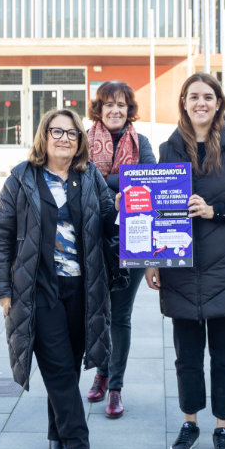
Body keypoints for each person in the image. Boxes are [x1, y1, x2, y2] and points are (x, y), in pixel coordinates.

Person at [0, 108, 118, 449]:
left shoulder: (89, 176)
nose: (64, 138)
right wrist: (1, 289)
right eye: (57, 131)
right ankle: (77, 442)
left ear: (80, 142)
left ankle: (55, 433)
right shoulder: (21, 178)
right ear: (43, 136)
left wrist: (130, 209)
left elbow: (108, 220)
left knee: (69, 365)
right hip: (38, 288)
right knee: (58, 367)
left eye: (72, 133)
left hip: (82, 287)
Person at [147, 73, 225, 449]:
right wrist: (151, 259)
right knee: (187, 357)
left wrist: (215, 211)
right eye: (193, 96)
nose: (200, 102)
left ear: (218, 103)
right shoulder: (169, 149)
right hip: (180, 268)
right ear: (183, 102)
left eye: (207, 97)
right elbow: (154, 209)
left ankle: (222, 427)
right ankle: (190, 422)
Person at [85, 80, 157, 418]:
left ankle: (114, 386)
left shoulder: (141, 143)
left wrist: (106, 181)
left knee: (120, 315)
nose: (115, 110)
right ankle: (101, 371)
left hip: (135, 238)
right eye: (108, 104)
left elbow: (148, 181)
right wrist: (125, 180)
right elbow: (77, 178)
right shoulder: (82, 141)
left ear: (130, 110)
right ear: (98, 109)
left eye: (122, 105)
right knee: (98, 311)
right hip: (93, 238)